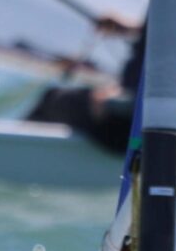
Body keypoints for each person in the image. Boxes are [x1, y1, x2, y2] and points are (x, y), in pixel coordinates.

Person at [23, 15, 143, 155]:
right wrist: (126, 28)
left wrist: (110, 100)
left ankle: (19, 151)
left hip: (126, 136)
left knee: (52, 97)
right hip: (146, 142)